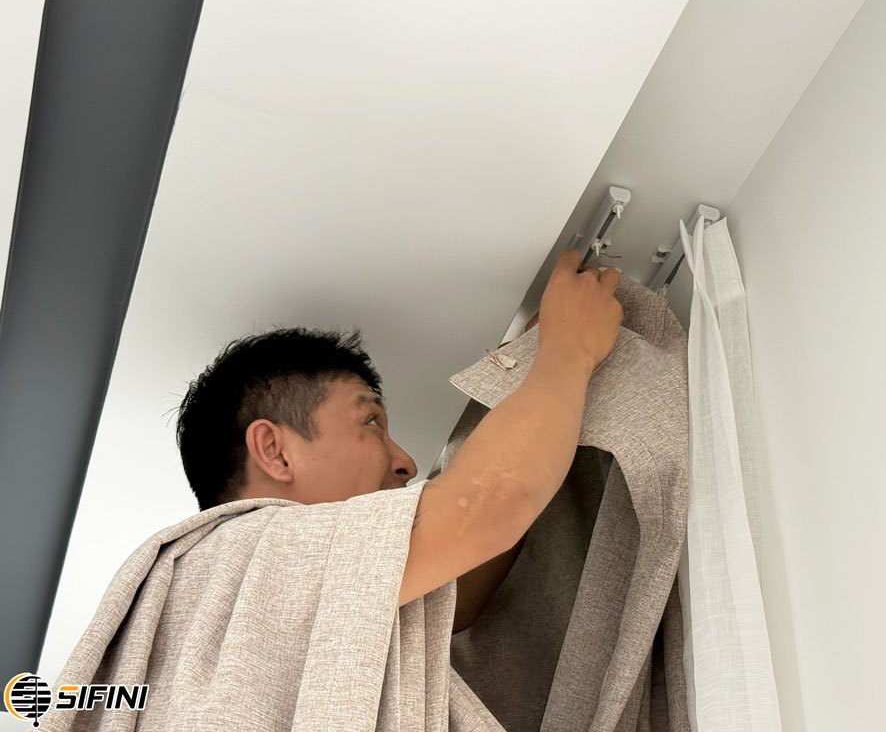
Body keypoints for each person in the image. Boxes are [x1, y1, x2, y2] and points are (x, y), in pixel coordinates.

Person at [175, 248, 622, 632]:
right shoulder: (240, 559)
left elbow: (456, 593)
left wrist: (529, 378)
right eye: (370, 422)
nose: (407, 462)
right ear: (275, 452)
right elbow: (488, 507)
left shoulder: (271, 616)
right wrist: (570, 347)